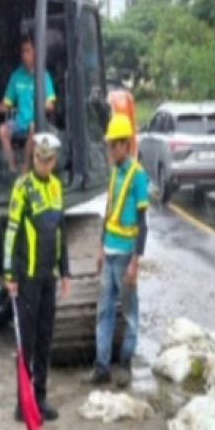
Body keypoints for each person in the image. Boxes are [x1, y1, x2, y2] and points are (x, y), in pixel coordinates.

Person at [3, 132, 71, 423]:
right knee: (27, 343)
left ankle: (40, 397)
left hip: (49, 276)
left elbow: (61, 233)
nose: (43, 164)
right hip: (27, 278)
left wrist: (65, 270)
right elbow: (11, 233)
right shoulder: (22, 188)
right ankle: (23, 403)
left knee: (45, 339)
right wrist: (9, 274)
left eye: (48, 160)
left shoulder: (56, 187)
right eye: (39, 159)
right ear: (34, 159)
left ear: (54, 161)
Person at [84, 113, 148, 389]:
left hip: (125, 255)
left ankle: (125, 364)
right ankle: (102, 366)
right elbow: (108, 211)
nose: (110, 149)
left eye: (113, 145)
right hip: (109, 251)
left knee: (129, 312)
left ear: (125, 144)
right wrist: (100, 247)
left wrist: (135, 262)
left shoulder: (138, 176)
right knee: (104, 311)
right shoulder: (113, 173)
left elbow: (143, 224)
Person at [0, 36, 57, 191]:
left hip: (38, 123)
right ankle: (12, 167)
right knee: (2, 130)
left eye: (28, 51)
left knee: (33, 127)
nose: (25, 55)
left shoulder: (43, 75)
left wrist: (43, 104)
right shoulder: (16, 76)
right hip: (19, 122)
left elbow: (51, 104)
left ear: (35, 52)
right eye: (23, 51)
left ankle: (25, 168)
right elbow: (7, 105)